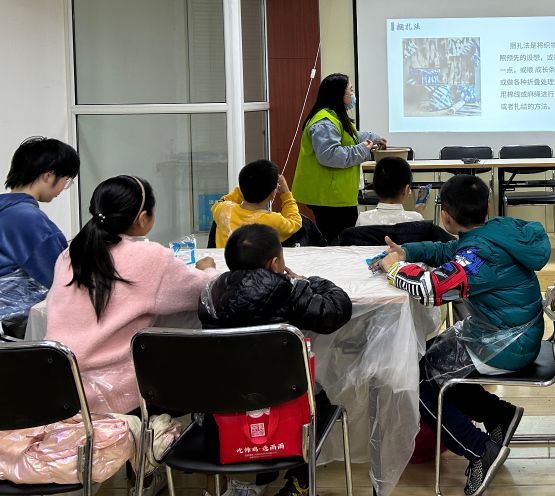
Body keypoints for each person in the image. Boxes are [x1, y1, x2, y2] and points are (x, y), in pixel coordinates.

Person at [371, 174, 548, 496]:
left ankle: (479, 449)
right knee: (424, 361)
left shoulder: (481, 255)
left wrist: (393, 267)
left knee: (415, 378)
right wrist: (406, 252)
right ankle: (498, 414)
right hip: (507, 330)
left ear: (445, 216)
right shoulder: (495, 232)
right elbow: (450, 250)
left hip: (507, 343)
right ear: (487, 207)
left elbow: (431, 290)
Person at [199, 224, 352, 496]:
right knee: (320, 400)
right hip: (286, 399)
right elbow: (335, 311)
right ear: (275, 263)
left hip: (226, 401)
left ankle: (256, 476)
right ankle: (300, 481)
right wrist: (308, 282)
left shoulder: (210, 293)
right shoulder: (288, 291)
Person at [46, 175, 218, 414]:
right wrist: (208, 269)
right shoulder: (150, 257)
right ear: (143, 218)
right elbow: (206, 293)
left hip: (60, 388)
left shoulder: (70, 254)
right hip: (119, 396)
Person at [0, 137, 80, 338]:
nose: (63, 188)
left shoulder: (6, 211)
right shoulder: (27, 219)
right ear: (48, 176)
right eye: (66, 180)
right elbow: (62, 279)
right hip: (16, 331)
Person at [291, 73, 386, 243]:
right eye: (350, 90)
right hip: (329, 197)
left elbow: (350, 137)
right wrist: (363, 149)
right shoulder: (325, 122)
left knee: (342, 240)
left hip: (335, 195)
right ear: (339, 94)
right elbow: (330, 156)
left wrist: (373, 138)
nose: (353, 94)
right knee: (339, 244)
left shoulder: (334, 117)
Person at [211, 159, 302, 249]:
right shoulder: (272, 221)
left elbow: (222, 201)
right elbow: (295, 222)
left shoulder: (224, 209)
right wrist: (286, 194)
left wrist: (246, 187)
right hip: (254, 259)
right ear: (273, 194)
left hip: (225, 259)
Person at [356, 156, 426, 227]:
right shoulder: (416, 219)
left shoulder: (362, 219)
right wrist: (418, 214)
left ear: (375, 188)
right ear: (406, 189)